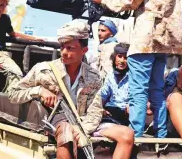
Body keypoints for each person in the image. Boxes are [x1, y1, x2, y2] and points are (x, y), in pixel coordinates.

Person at [92, 0, 182, 137]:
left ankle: (135, 135)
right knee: (156, 91)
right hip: (160, 43)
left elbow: (130, 0)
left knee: (138, 91)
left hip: (144, 41)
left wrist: (104, 0)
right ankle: (160, 133)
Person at [7, 20, 134, 159]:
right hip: (58, 120)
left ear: (84, 50)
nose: (64, 52)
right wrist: (39, 90)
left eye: (70, 48)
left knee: (127, 134)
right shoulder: (44, 70)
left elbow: (95, 108)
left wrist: (82, 130)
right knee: (67, 133)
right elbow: (13, 93)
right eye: (62, 47)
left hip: (86, 122)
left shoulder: (94, 76)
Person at [94, 43, 134, 158]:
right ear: (114, 57)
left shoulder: (134, 77)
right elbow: (103, 95)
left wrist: (131, 105)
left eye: (125, 57)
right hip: (110, 113)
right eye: (119, 56)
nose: (122, 61)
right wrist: (99, 108)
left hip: (125, 114)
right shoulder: (110, 76)